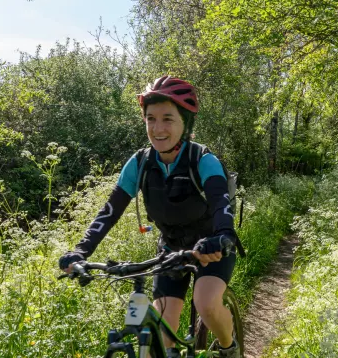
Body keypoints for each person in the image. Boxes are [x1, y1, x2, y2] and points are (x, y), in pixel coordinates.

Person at [59, 75, 240, 358]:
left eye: (168, 118)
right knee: (163, 332)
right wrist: (81, 250)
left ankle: (230, 349)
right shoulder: (140, 163)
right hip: (170, 250)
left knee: (205, 303)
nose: (158, 128)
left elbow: (220, 202)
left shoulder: (203, 160)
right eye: (150, 119)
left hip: (211, 248)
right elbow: (109, 212)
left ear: (185, 123)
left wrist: (222, 236)